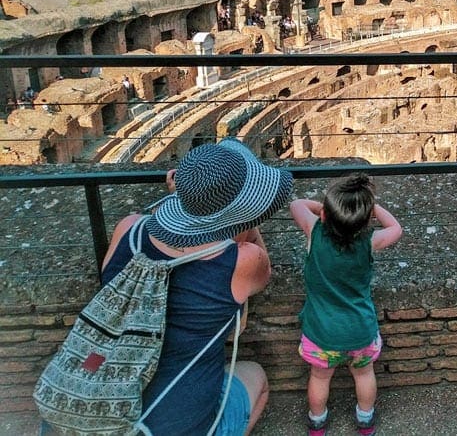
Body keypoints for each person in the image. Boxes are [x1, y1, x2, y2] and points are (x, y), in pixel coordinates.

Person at [99, 139, 292, 435]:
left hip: (90, 402)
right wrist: (246, 224)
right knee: (256, 377)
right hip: (174, 426)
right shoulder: (241, 261)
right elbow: (261, 270)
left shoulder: (130, 227)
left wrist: (188, 201)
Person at [290, 174, 403, 436]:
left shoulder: (314, 232)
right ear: (366, 223)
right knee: (364, 375)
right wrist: (370, 208)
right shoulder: (369, 242)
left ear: (326, 216)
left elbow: (296, 205)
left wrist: (326, 210)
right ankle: (365, 420)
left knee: (319, 378)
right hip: (360, 332)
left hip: (321, 334)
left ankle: (317, 422)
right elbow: (396, 228)